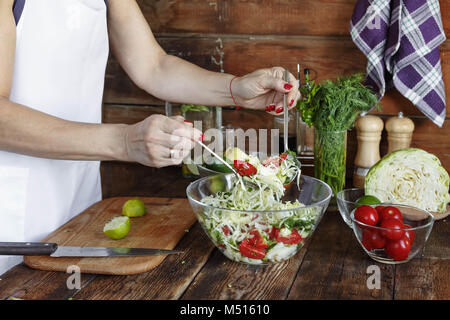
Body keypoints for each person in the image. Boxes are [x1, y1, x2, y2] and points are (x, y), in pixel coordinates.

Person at [0, 0, 300, 275]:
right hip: (11, 216)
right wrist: (124, 142)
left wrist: (236, 90)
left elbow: (153, 66)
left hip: (77, 207)